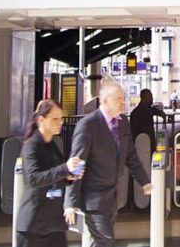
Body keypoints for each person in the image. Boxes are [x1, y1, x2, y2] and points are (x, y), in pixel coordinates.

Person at [64, 82, 151, 247]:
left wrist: (144, 180)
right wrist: (71, 201)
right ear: (105, 100)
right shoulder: (88, 125)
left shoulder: (122, 122)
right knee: (106, 242)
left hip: (112, 197)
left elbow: (130, 155)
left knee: (99, 242)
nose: (122, 102)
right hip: (93, 199)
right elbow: (77, 163)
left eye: (123, 98)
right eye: (118, 98)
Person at [16, 100, 84, 247]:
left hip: (54, 224)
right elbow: (33, 178)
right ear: (42, 120)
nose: (60, 122)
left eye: (61, 118)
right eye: (55, 119)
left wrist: (69, 177)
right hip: (34, 224)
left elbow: (55, 175)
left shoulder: (54, 144)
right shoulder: (31, 146)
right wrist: (65, 169)